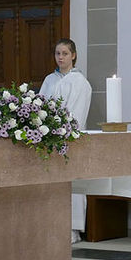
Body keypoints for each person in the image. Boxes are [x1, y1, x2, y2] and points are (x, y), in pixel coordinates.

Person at [39, 39, 92, 242]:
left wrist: (61, 129)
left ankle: (72, 229)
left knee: (71, 183)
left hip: (69, 140)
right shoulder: (49, 80)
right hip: (47, 140)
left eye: (64, 54)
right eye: (57, 53)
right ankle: (51, 224)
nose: (60, 57)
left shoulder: (81, 83)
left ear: (74, 55)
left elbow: (77, 114)